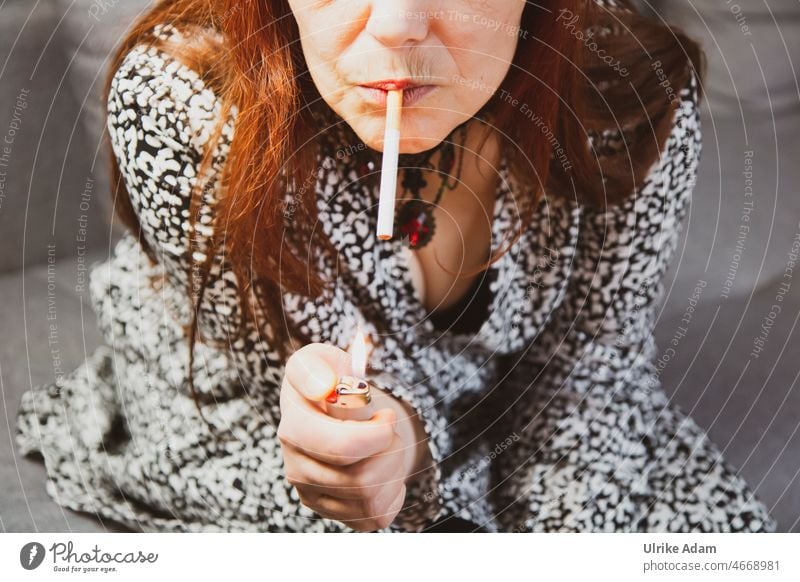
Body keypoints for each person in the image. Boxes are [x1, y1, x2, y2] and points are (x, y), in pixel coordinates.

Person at [16, 0, 777, 533]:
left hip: (505, 406)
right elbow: (341, 410)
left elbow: (590, 368)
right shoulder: (182, 102)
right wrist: (392, 448)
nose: (398, 26)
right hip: (247, 413)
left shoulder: (625, 94)